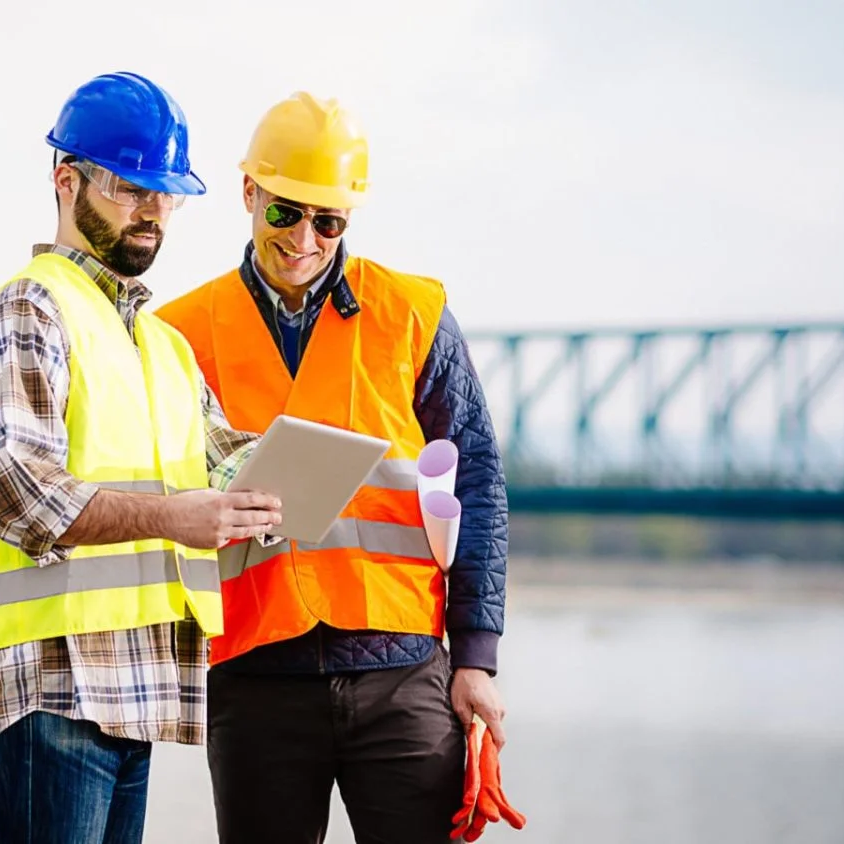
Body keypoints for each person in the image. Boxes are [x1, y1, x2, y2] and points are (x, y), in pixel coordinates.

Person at [156, 91, 511, 844]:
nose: (305, 239)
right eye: (285, 212)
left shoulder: (412, 314)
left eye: (329, 222)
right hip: (255, 678)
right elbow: (155, 498)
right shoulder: (179, 335)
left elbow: (477, 479)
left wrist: (475, 657)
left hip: (403, 671)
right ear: (249, 192)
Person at [0, 71, 282, 844]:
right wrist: (178, 518)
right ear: (67, 182)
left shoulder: (163, 347)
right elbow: (20, 494)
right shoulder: (27, 312)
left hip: (134, 691)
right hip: (49, 690)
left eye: (165, 194)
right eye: (132, 188)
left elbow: (225, 466)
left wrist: (299, 477)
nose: (154, 211)